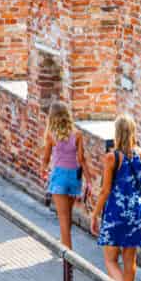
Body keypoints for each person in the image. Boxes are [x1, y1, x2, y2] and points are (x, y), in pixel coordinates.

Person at [91, 114, 141, 281]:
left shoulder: (112, 157)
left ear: (117, 133)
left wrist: (95, 213)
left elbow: (105, 189)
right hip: (137, 210)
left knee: (109, 259)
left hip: (116, 211)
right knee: (130, 260)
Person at [41, 100, 92, 249]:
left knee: (63, 218)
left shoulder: (51, 135)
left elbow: (46, 158)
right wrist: (88, 181)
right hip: (74, 177)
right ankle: (65, 243)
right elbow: (82, 159)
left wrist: (43, 170)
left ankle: (67, 255)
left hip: (59, 178)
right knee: (68, 215)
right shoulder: (77, 135)